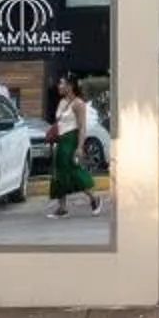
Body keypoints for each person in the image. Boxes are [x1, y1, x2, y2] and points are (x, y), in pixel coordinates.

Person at [47, 74, 98, 218]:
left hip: (70, 140)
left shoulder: (78, 104)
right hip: (61, 141)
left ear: (70, 86)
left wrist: (80, 147)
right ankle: (62, 208)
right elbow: (60, 122)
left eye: (62, 83)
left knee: (74, 171)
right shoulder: (62, 102)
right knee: (59, 173)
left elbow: (82, 127)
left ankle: (94, 199)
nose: (59, 86)